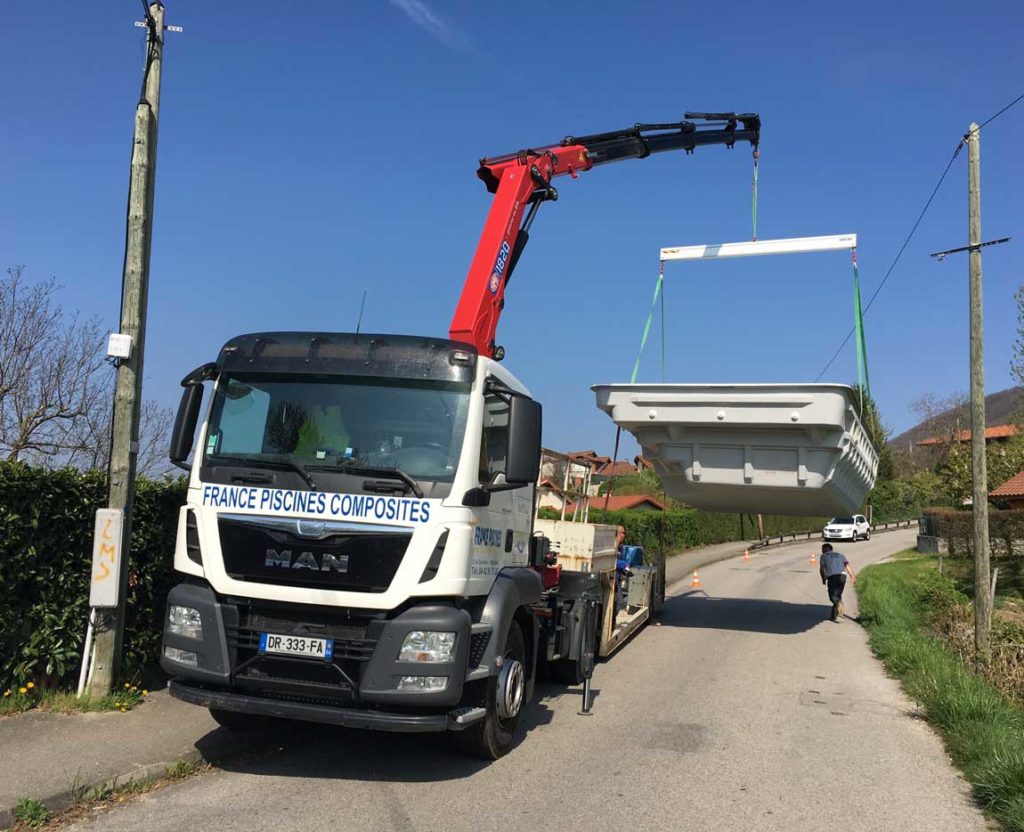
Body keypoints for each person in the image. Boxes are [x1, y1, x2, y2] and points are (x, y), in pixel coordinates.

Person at [819, 543, 856, 622]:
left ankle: (839, 605)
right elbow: (847, 566)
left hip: (833, 577)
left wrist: (823, 579)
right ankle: (834, 616)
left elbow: (822, 569)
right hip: (843, 576)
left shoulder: (824, 556)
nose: (821, 550)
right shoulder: (840, 555)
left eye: (822, 549)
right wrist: (852, 576)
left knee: (833, 596)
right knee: (838, 595)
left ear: (826, 549)